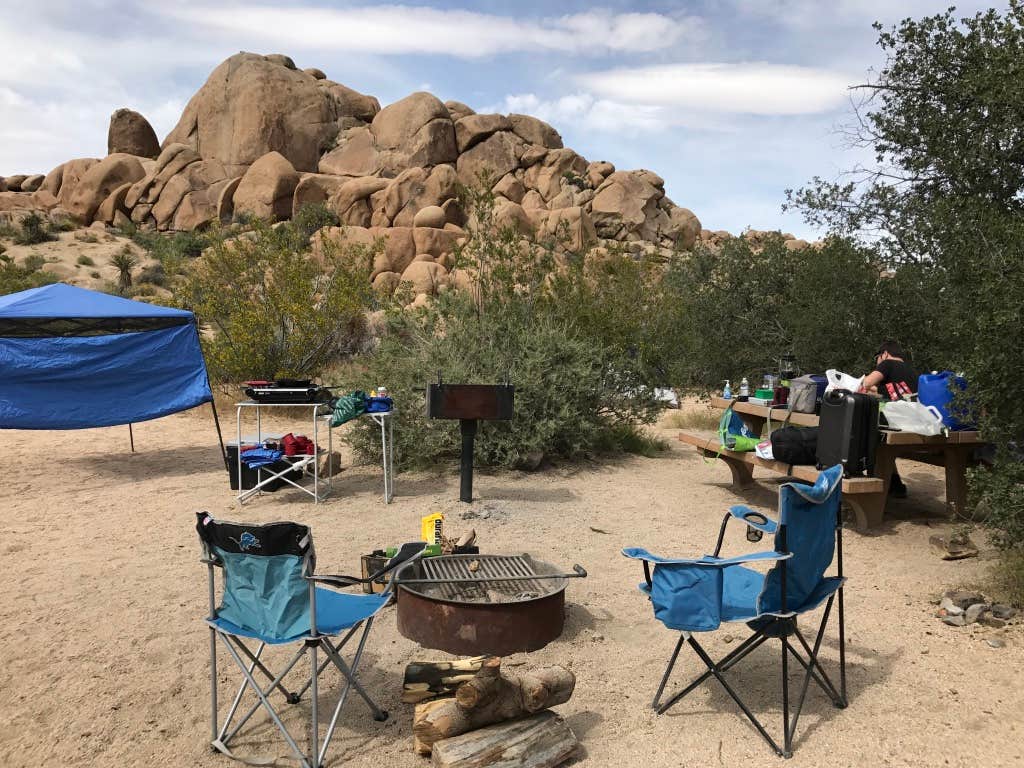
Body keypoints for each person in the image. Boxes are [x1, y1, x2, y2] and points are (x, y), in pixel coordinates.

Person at [859, 341, 918, 498]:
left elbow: (867, 383)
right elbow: (887, 392)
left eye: (877, 358)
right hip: (911, 421)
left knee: (867, 432)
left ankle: (875, 480)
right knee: (883, 445)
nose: (877, 362)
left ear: (884, 353)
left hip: (893, 421)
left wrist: (860, 383)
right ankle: (895, 484)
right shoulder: (911, 371)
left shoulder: (887, 364)